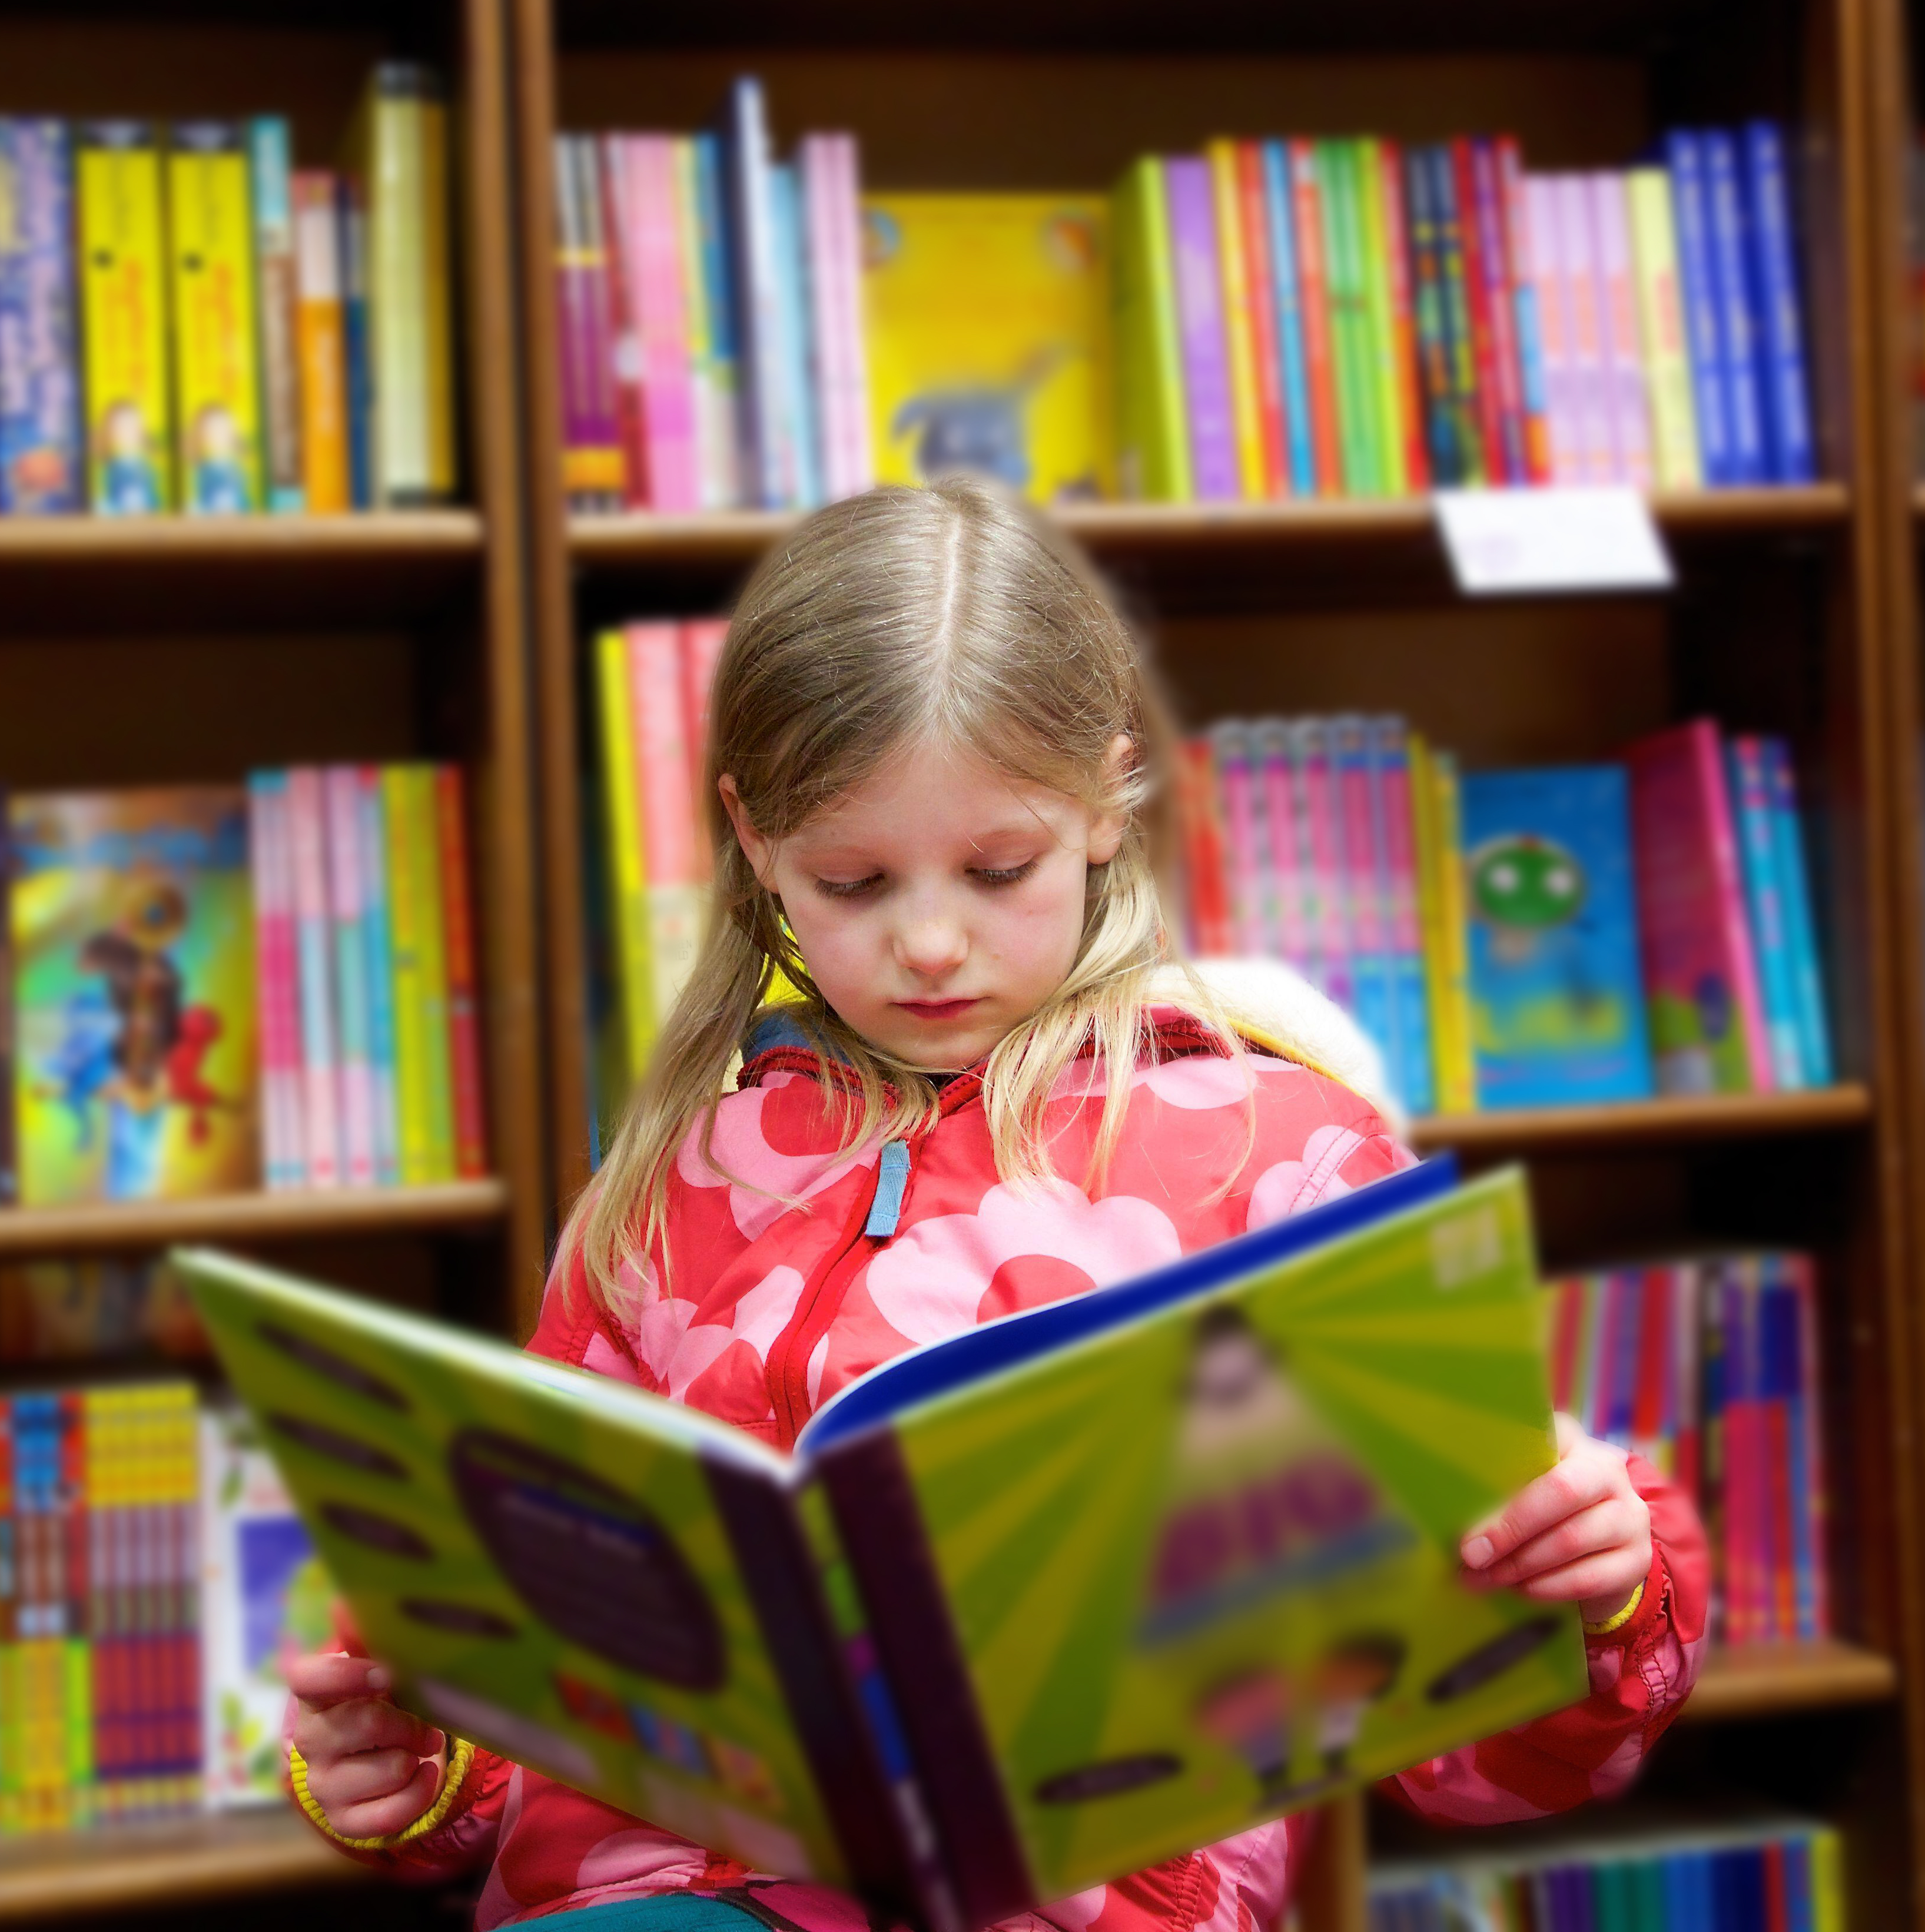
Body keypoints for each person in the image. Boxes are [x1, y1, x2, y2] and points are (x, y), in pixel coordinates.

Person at [284, 476, 1707, 1932]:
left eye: (997, 867)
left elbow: (1471, 1766)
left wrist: (1590, 1599)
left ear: (1105, 799)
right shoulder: (664, 1187)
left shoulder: (1280, 1160)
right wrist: (426, 1759)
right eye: (852, 879)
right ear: (755, 842)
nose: (930, 941)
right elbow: (544, 1654)